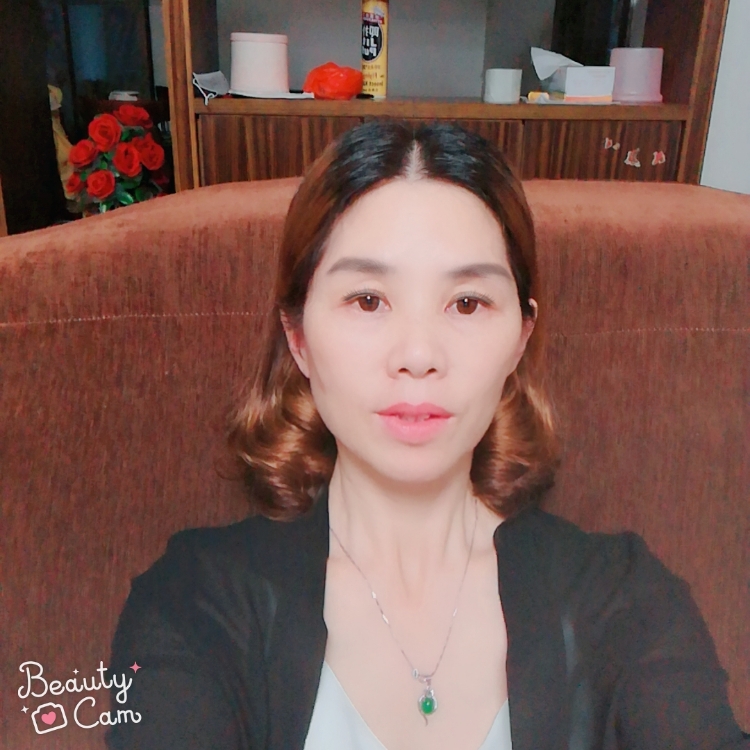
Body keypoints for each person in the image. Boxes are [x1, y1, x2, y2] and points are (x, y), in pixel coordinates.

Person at [105, 119, 749, 750]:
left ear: (520, 339)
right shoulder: (192, 600)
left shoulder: (624, 597)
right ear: (297, 337)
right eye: (368, 300)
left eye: (467, 303)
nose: (418, 355)